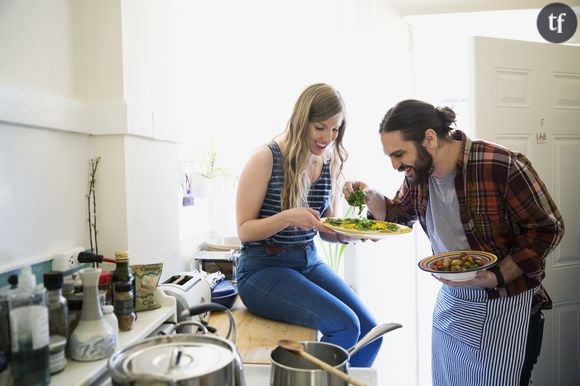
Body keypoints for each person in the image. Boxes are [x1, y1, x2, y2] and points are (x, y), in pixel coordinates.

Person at [344, 99, 564, 385]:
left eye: (399, 154)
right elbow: (399, 215)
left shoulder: (501, 165)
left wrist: (497, 275)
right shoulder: (417, 175)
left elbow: (548, 228)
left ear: (430, 139)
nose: (396, 165)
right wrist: (372, 196)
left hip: (507, 303)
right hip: (454, 302)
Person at [235, 83, 382, 367]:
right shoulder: (266, 158)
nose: (328, 137)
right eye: (320, 127)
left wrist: (354, 234)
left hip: (308, 261)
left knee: (371, 332)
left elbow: (328, 230)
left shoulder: (330, 162)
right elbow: (245, 230)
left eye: (336, 129)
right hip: (262, 269)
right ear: (302, 121)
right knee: (345, 326)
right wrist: (289, 216)